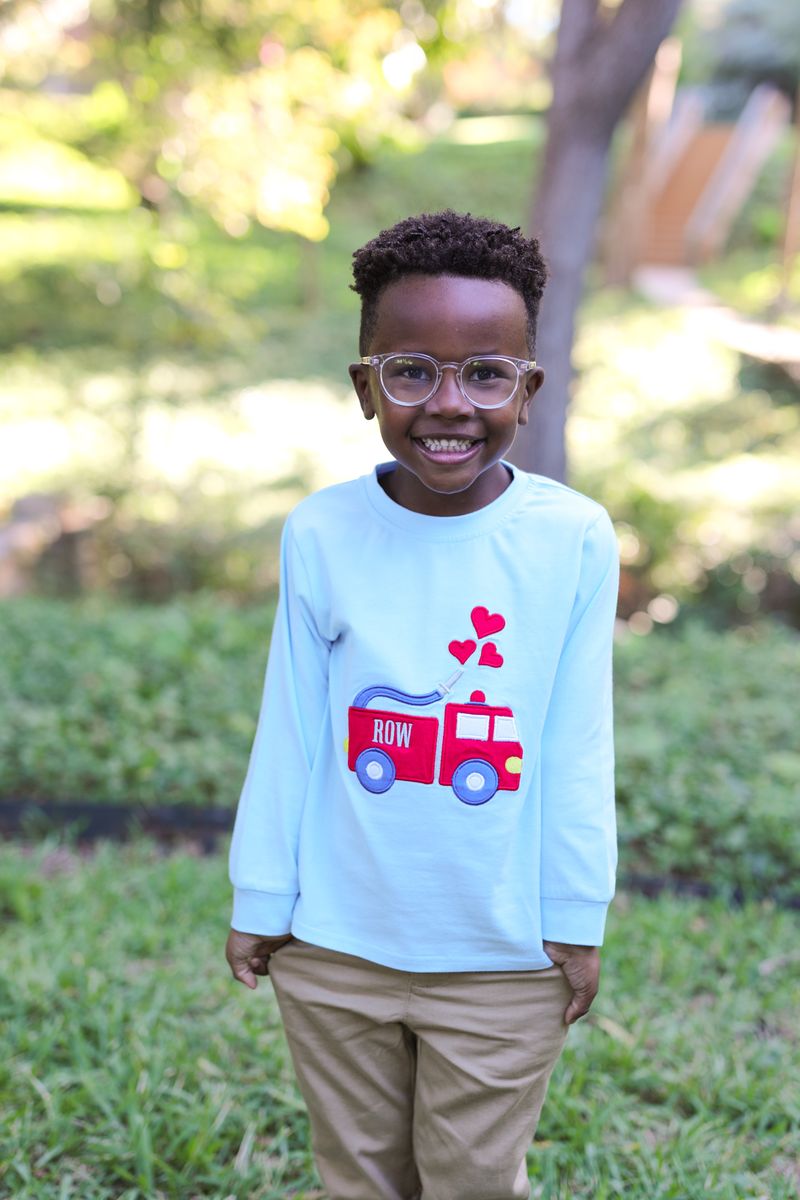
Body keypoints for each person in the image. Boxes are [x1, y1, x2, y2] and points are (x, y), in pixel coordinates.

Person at [225, 210, 619, 1200]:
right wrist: (262, 899)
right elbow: (294, 732)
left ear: (527, 390)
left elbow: (576, 744)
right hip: (332, 949)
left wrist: (573, 917)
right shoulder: (319, 533)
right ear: (365, 387)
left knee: (471, 1182)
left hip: (500, 958)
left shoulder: (569, 538)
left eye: (484, 373)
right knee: (355, 1178)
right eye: (411, 372)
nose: (449, 404)